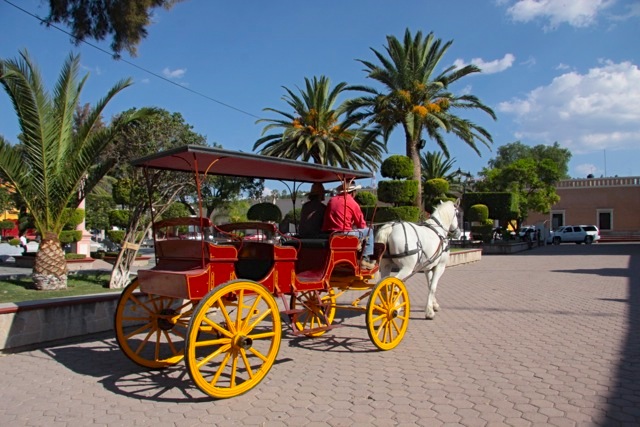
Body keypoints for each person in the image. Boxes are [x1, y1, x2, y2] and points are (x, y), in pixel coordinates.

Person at [322, 183, 375, 269]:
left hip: (331, 234)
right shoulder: (352, 203)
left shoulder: (332, 200)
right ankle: (365, 258)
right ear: (353, 192)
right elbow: (361, 224)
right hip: (345, 234)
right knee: (369, 231)